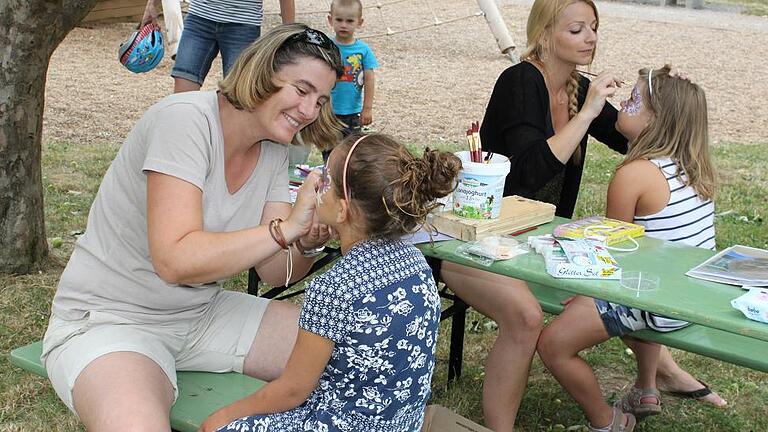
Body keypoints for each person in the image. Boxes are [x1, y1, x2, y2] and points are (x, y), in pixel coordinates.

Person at [40, 24, 344, 431]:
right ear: (260, 73)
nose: (309, 111)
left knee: (355, 350)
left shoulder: (277, 146)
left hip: (203, 314)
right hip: (110, 320)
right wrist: (284, 230)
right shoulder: (183, 120)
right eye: (301, 90)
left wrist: (304, 240)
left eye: (320, 100)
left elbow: (274, 271)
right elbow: (176, 260)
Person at [438, 0, 724, 430]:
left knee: (620, 294)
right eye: (576, 29)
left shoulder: (575, 86)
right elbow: (530, 170)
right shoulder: (520, 82)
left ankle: (661, 371)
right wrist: (587, 112)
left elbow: (643, 135)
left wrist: (676, 99)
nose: (590, 37)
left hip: (534, 240)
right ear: (545, 34)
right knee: (528, 317)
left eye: (593, 27)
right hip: (480, 235)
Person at [200, 134, 462, 431]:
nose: (315, 185)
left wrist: (225, 416)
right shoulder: (416, 264)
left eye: (325, 180)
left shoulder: (334, 288)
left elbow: (292, 389)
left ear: (342, 209)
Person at [536, 65, 716, 432]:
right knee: (648, 273)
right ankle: (646, 387)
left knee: (553, 344)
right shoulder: (691, 166)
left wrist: (586, 293)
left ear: (658, 121)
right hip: (686, 294)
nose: (623, 103)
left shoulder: (633, 175)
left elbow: (614, 253)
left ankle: (608, 421)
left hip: (653, 301)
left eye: (634, 100)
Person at [170, 0, 296, 92]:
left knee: (237, 94)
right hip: (200, 16)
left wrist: (288, 33)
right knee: (182, 93)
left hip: (244, 23)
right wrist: (152, 5)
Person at [322, 0, 379, 161]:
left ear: (359, 23)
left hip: (353, 112)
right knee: (329, 152)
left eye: (349, 21)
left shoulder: (363, 50)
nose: (344, 25)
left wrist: (367, 108)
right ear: (330, 20)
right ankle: (328, 181)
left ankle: (347, 183)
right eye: (339, 20)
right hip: (328, 112)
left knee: (353, 153)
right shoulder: (326, 47)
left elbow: (369, 79)